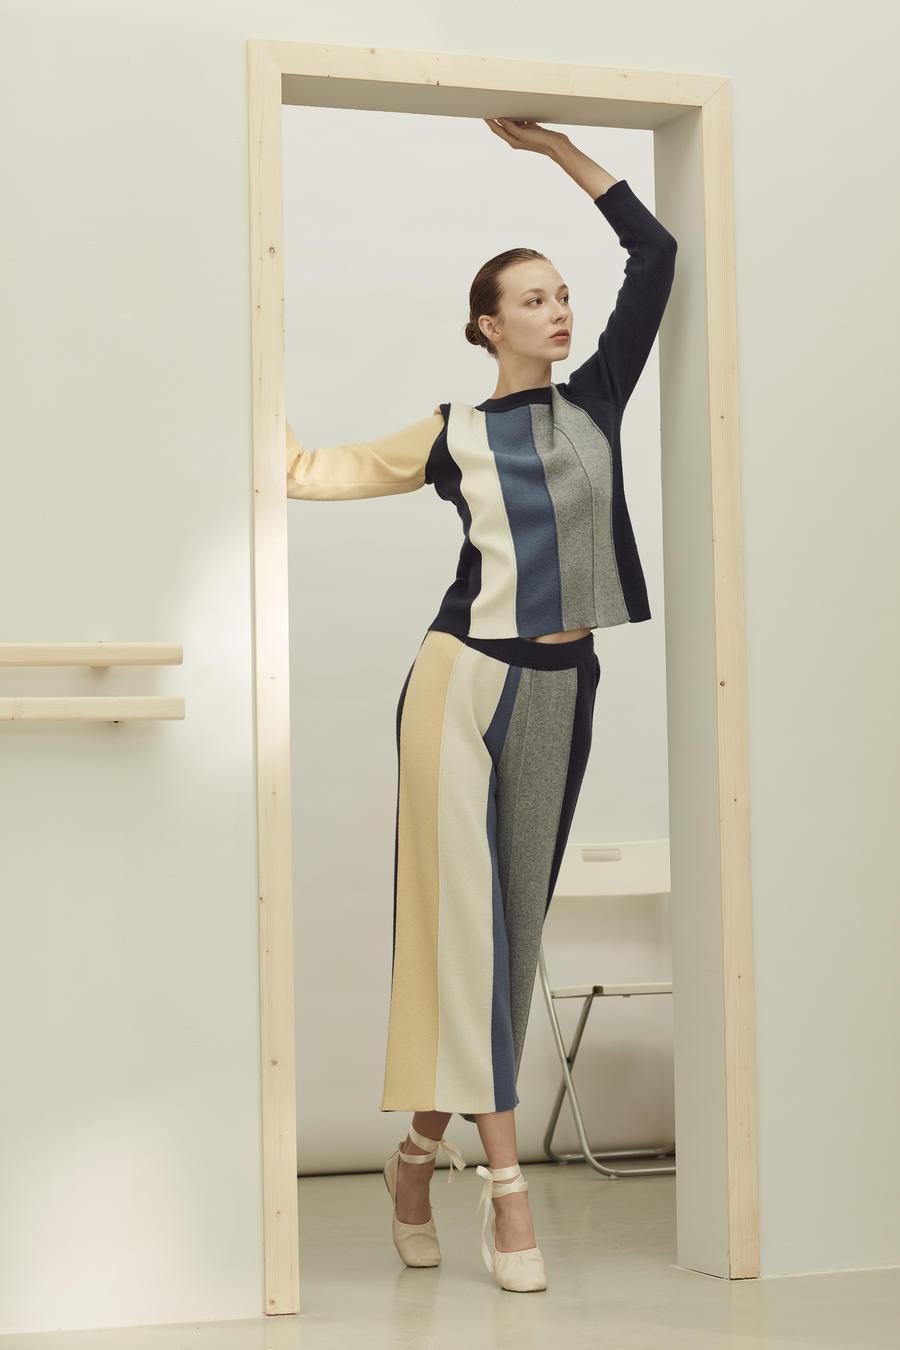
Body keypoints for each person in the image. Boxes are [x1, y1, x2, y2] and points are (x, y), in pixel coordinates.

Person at [286, 117, 677, 1292]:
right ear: (486, 326)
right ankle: (509, 1195)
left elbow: (656, 255)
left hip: (564, 686)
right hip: (457, 683)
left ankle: (414, 1158)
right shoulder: (451, 436)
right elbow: (309, 470)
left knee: (514, 928)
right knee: (469, 931)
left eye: (563, 295)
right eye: (533, 299)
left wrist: (555, 151)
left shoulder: (598, 397)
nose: (559, 311)